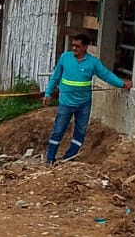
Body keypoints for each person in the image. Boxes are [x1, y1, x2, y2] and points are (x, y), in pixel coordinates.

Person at [42, 33, 125, 163]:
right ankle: (50, 159)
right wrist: (48, 93)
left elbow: (106, 75)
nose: (74, 48)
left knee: (80, 132)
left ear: (85, 47)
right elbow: (55, 77)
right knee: (58, 130)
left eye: (77, 46)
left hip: (84, 103)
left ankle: (68, 158)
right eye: (73, 45)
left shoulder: (93, 62)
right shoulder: (65, 58)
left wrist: (122, 84)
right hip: (65, 103)